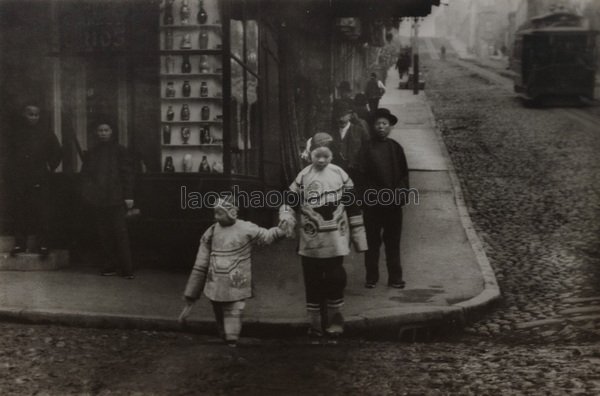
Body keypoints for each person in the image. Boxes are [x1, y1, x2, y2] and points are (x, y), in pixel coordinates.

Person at [280, 132, 367, 339]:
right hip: (311, 240)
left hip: (336, 239)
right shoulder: (303, 176)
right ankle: (315, 322)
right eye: (317, 156)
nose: (320, 160)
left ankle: (336, 319)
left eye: (325, 156)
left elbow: (353, 206)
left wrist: (359, 238)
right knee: (312, 281)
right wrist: (287, 218)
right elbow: (289, 200)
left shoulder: (340, 175)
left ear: (332, 155)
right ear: (310, 154)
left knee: (336, 278)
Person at [180, 197, 294, 347]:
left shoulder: (246, 228)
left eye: (219, 213)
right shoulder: (211, 231)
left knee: (234, 309)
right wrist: (192, 292)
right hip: (215, 282)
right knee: (219, 310)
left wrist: (284, 225)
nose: (216, 217)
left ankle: (231, 340)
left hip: (237, 280)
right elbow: (201, 262)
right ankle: (225, 337)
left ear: (232, 212)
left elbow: (267, 236)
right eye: (215, 213)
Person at [358, 108, 409, 289]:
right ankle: (371, 276)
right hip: (373, 205)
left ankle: (395, 277)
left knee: (393, 242)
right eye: (378, 124)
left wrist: (400, 195)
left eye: (384, 124)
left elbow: (404, 175)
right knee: (372, 242)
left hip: (393, 204)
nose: (381, 127)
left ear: (390, 127)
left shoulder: (395, 148)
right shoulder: (366, 148)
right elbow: (361, 176)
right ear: (373, 127)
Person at [80, 121, 135, 279]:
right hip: (99, 200)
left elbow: (127, 174)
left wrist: (129, 195)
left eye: (106, 130)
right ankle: (109, 266)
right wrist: (90, 194)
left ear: (112, 132)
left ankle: (127, 269)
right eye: (100, 130)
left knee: (120, 233)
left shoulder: (120, 151)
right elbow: (86, 176)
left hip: (117, 199)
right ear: (96, 132)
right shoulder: (92, 152)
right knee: (104, 234)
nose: (103, 133)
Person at [8, 102, 62, 257]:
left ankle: (43, 244)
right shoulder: (16, 133)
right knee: (20, 210)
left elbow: (57, 152)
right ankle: (19, 243)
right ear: (23, 114)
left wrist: (49, 166)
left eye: (36, 114)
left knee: (42, 211)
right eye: (30, 114)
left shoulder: (46, 133)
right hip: (19, 177)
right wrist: (12, 171)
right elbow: (7, 154)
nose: (33, 117)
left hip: (40, 177)